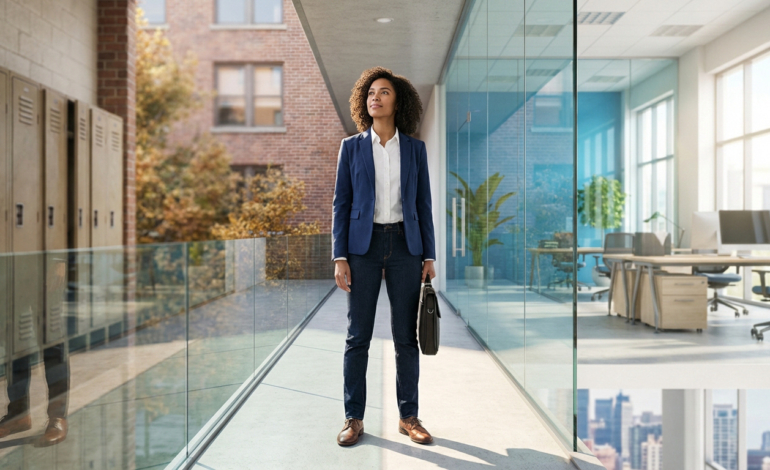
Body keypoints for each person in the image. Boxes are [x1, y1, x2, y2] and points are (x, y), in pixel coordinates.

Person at [332, 67, 436, 446]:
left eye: (384, 92)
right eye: (371, 92)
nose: (375, 97)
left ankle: (409, 417)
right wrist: (339, 256)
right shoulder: (351, 147)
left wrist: (429, 254)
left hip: (406, 248)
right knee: (357, 336)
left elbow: (423, 205)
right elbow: (340, 204)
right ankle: (353, 418)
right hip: (362, 248)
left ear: (398, 101)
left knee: (405, 338)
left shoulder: (415, 149)